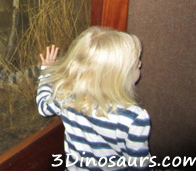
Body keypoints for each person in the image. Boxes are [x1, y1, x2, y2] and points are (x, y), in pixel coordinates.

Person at [37, 26, 151, 170]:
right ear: (118, 76)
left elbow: (43, 107)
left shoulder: (66, 96)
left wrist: (46, 71)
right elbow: (140, 166)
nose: (140, 64)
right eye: (136, 64)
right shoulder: (134, 118)